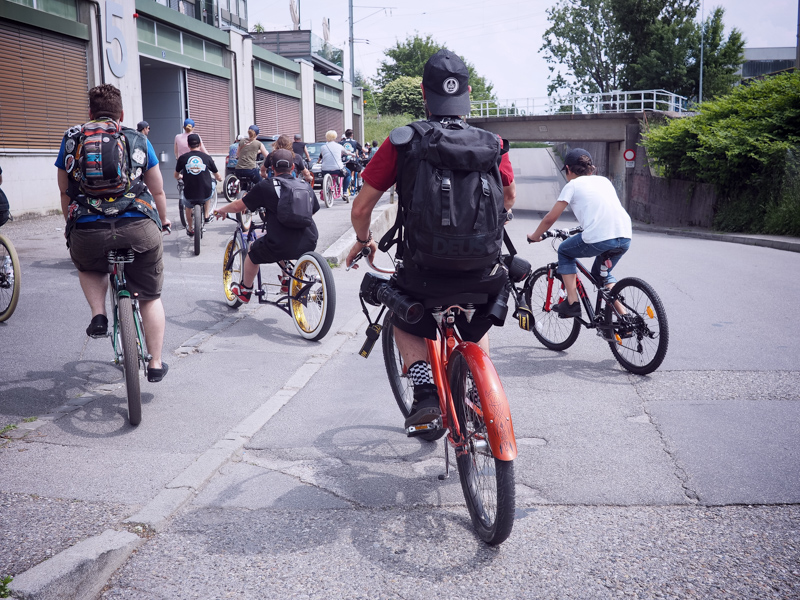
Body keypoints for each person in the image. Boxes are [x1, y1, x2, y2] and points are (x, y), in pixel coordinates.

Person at [345, 49, 516, 432]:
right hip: (483, 271)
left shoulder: (404, 141)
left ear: (424, 92)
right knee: (476, 315)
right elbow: (509, 198)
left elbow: (361, 209)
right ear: (468, 93)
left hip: (425, 272)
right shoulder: (493, 143)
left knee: (402, 311)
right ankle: (475, 391)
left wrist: (364, 240)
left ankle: (424, 395)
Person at [56, 84, 171, 382]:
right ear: (121, 113)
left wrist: (72, 226)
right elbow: (157, 189)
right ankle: (156, 363)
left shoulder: (72, 139)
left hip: (88, 227)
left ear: (90, 113)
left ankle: (99, 314)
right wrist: (165, 220)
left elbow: (64, 191)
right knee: (149, 296)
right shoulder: (136, 138)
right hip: (138, 224)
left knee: (90, 266)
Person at [526, 148, 632, 318]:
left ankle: (572, 303)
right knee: (602, 275)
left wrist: (535, 236)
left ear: (568, 169)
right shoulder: (604, 181)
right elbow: (602, 210)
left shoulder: (572, 185)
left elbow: (550, 218)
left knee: (564, 251)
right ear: (591, 168)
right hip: (625, 235)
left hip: (600, 237)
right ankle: (625, 317)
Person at [214, 149, 320, 300]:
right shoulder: (305, 185)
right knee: (285, 244)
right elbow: (312, 211)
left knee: (252, 252)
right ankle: (286, 280)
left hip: (278, 244)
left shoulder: (267, 186)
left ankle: (245, 290)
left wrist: (221, 210)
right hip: (309, 241)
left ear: (272, 168)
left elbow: (239, 206)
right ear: (292, 168)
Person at [175, 133, 223, 236]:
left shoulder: (182, 158)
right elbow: (218, 176)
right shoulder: (207, 158)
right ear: (200, 144)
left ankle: (190, 228)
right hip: (205, 192)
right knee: (212, 185)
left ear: (188, 145)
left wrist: (180, 176)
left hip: (189, 192)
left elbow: (176, 175)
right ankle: (206, 215)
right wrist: (220, 178)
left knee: (188, 206)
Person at [316, 130, 356, 202]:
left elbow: (322, 155)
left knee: (328, 173)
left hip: (325, 170)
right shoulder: (339, 146)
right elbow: (346, 152)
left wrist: (318, 161)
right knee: (348, 174)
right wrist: (352, 154)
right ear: (335, 137)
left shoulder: (323, 147)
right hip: (338, 169)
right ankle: (344, 192)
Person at [341, 128, 365, 193]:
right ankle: (359, 185)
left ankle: (350, 181)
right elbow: (363, 150)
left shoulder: (342, 142)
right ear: (352, 135)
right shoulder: (354, 142)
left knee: (347, 172)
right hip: (353, 160)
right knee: (360, 170)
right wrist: (367, 151)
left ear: (345, 135)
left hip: (344, 162)